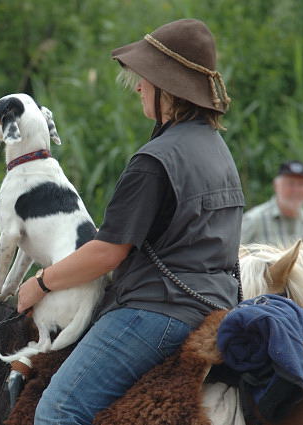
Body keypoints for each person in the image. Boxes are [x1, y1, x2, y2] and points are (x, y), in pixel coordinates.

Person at [16, 19, 243, 424]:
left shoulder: (155, 161)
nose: (138, 86)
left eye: (146, 79)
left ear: (169, 89)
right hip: (215, 307)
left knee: (57, 410)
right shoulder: (218, 150)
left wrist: (40, 282)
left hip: (154, 313)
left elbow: (108, 251)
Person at [241, 160, 303, 246]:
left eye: (301, 184)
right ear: (276, 185)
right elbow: (232, 256)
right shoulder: (254, 219)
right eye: (290, 183)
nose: (296, 190)